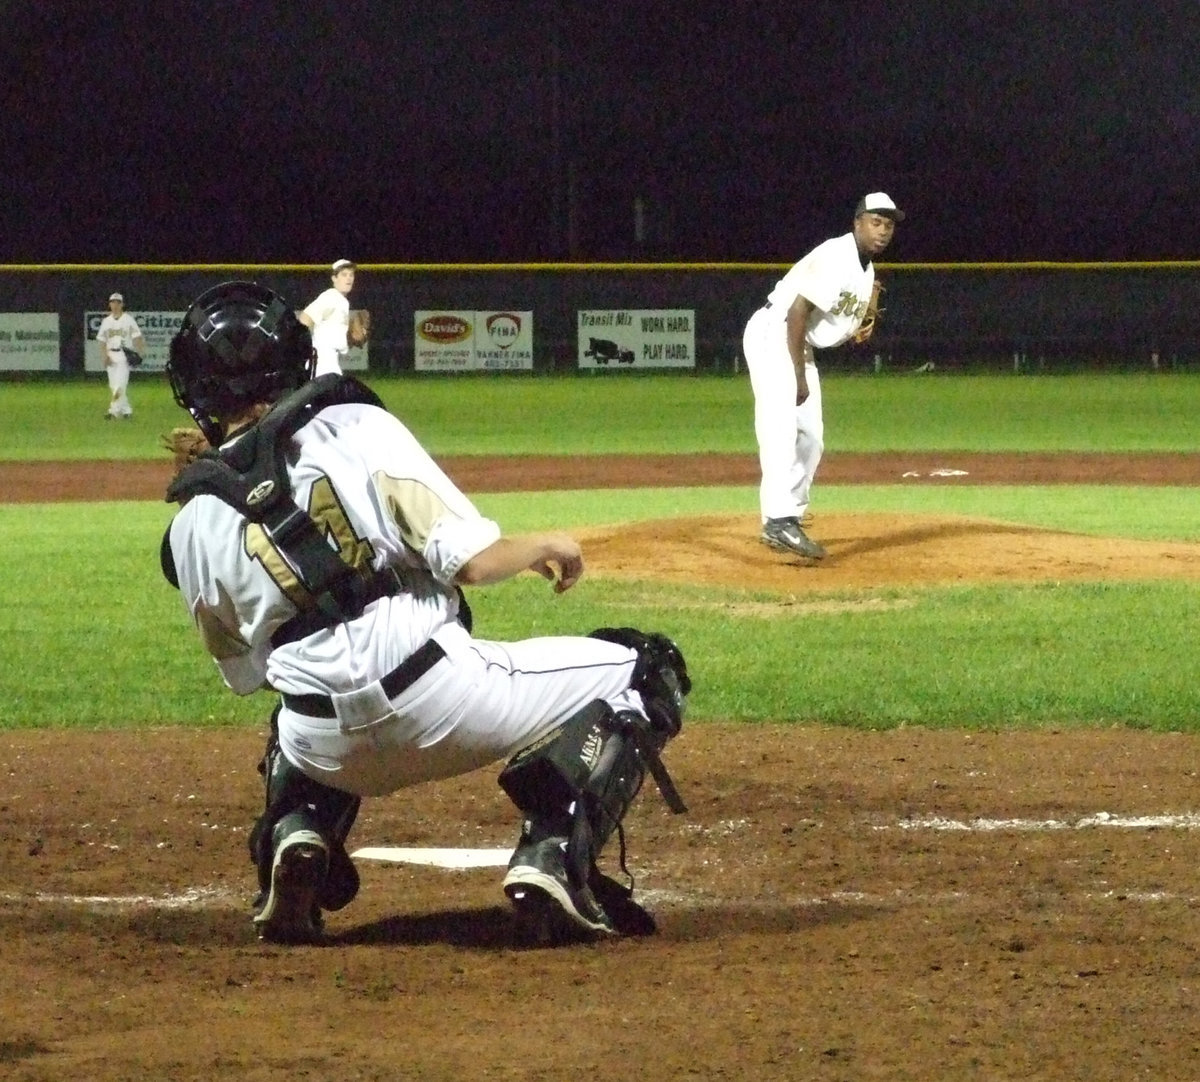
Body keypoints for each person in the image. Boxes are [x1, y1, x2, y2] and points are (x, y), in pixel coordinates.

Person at [160, 281, 689, 946]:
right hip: (447, 702)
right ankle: (554, 851)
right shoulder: (354, 425)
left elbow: (246, 672)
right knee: (648, 668)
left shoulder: (190, 524)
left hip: (324, 747)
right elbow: (470, 561)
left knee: (289, 706)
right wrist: (543, 544)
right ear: (295, 361)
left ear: (193, 389)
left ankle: (298, 831)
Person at [742, 192, 904, 559]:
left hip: (798, 345)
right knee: (780, 427)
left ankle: (789, 516)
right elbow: (797, 313)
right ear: (857, 223)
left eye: (889, 225)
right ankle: (779, 520)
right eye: (875, 222)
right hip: (776, 333)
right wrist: (799, 375)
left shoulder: (867, 270)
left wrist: (852, 328)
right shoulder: (836, 255)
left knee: (812, 438)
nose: (882, 231)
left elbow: (837, 319)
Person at [298, 258, 356, 376]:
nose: (349, 278)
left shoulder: (341, 300)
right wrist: (306, 348)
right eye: (344, 275)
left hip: (330, 362)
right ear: (334, 278)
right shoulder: (331, 296)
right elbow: (304, 319)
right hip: (322, 364)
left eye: (351, 275)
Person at [95, 291, 146, 420]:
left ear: (122, 304)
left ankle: (113, 411)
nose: (115, 305)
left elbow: (137, 337)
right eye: (113, 302)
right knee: (114, 386)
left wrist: (140, 353)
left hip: (124, 355)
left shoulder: (128, 320)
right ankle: (126, 410)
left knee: (119, 385)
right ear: (109, 304)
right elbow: (101, 340)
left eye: (118, 302)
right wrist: (104, 356)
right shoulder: (106, 321)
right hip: (111, 354)